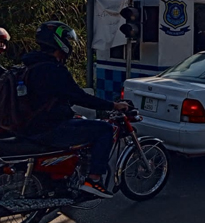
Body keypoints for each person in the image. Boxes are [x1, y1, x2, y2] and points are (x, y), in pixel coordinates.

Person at [21, 21, 130, 198]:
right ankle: (93, 180)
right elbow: (79, 96)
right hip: (49, 128)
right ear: (59, 42)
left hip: (30, 126)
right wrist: (113, 105)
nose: (70, 45)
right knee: (105, 129)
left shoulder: (30, 65)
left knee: (80, 122)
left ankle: (65, 177)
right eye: (68, 41)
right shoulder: (53, 70)